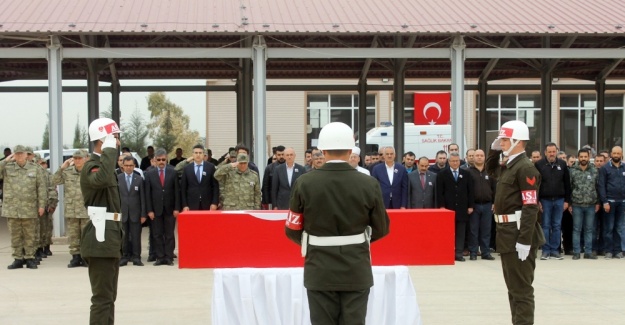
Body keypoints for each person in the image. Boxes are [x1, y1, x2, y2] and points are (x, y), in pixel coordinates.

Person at [285, 122, 390, 325]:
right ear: (351, 150)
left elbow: (292, 228)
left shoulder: (304, 183)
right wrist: (355, 242)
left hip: (319, 268)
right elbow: (382, 228)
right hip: (356, 267)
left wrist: (314, 243)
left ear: (322, 151)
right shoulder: (369, 183)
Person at [485, 120, 544, 325]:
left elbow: (530, 207)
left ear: (517, 142)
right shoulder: (509, 165)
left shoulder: (525, 168)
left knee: (522, 291)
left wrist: (525, 240)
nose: (501, 143)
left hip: (518, 233)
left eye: (504, 140)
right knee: (513, 290)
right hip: (507, 233)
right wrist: (493, 151)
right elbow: (490, 170)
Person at [80, 117, 124, 324]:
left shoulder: (104, 164)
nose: (117, 142)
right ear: (102, 140)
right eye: (114, 137)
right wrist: (108, 151)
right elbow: (102, 179)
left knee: (109, 298)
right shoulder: (92, 166)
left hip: (109, 236)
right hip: (100, 238)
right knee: (102, 299)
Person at [0, 145, 47, 270]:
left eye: (22, 154)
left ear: (27, 155)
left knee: (29, 235)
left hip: (29, 208)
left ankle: (30, 258)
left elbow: (41, 188)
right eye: (17, 154)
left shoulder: (35, 168)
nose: (19, 156)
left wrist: (42, 205)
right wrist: (5, 160)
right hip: (12, 208)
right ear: (13, 155)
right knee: (15, 235)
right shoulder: (7, 168)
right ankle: (18, 259)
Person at [52, 149, 90, 268]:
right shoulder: (68, 172)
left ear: (86, 159)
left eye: (80, 158)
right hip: (72, 209)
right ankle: (75, 257)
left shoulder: (91, 172)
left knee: (86, 235)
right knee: (73, 235)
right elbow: (54, 180)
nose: (77, 160)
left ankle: (85, 257)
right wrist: (62, 167)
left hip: (86, 209)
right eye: (75, 158)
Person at [535, 143, 571, 260]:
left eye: (553, 151)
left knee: (556, 225)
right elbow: (536, 184)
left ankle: (555, 251)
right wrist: (537, 201)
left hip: (560, 200)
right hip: (545, 200)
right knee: (545, 225)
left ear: (556, 152)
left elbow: (567, 184)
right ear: (545, 152)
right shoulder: (539, 165)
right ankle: (545, 251)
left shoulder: (562, 164)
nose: (552, 154)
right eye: (549, 152)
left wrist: (567, 201)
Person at [144, 148, 180, 266]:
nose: (161, 162)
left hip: (170, 209)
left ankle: (169, 257)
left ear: (167, 159)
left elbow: (176, 192)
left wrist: (176, 208)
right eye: (158, 159)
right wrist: (149, 210)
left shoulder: (173, 172)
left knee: (169, 234)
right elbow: (147, 194)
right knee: (157, 234)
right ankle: (160, 257)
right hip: (155, 209)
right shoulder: (149, 174)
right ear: (155, 160)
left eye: (163, 159)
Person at [436, 152, 474, 262]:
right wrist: (441, 206)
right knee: (447, 232)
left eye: (457, 161)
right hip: (448, 208)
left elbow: (470, 191)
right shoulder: (442, 174)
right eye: (453, 161)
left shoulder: (466, 174)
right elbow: (440, 192)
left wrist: (470, 206)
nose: (455, 163)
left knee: (461, 232)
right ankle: (447, 253)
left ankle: (458, 253)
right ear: (449, 162)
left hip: (462, 208)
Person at [569, 148, 599, 260]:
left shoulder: (594, 170)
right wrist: (570, 204)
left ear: (589, 157)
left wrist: (598, 203)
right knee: (576, 229)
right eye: (581, 157)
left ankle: (588, 252)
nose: (583, 159)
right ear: (578, 157)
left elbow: (598, 187)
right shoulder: (572, 170)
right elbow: (569, 187)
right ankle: (576, 252)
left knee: (589, 229)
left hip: (591, 204)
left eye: (585, 157)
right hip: (576, 204)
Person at [117, 156, 147, 266]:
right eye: (126, 165)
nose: (128, 168)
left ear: (134, 166)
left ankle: (136, 257)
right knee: (123, 237)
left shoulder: (138, 179)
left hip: (136, 213)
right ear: (122, 166)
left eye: (131, 166)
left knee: (136, 236)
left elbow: (143, 198)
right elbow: (115, 197)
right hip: (122, 213)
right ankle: (124, 257)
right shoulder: (118, 178)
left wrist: (143, 214)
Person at [467, 149, 496, 260]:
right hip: (474, 205)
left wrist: (494, 202)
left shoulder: (490, 171)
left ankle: (485, 252)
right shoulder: (468, 172)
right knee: (473, 230)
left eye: (481, 155)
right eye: (477, 155)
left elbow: (495, 188)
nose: (479, 157)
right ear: (473, 157)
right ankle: (473, 252)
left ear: (485, 157)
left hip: (488, 205)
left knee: (486, 230)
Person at [597, 146, 625, 259]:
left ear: (621, 154)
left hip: (622, 202)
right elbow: (601, 186)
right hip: (609, 201)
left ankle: (617, 250)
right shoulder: (605, 168)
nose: (616, 155)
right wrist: (604, 202)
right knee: (608, 228)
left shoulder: (624, 167)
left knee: (619, 227)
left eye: (618, 153)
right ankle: (608, 250)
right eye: (614, 153)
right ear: (611, 154)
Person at [181, 144, 219, 211]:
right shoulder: (187, 168)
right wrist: (184, 205)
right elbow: (183, 188)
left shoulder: (210, 167)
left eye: (200, 153)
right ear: (192, 154)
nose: (198, 155)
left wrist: (215, 203)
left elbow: (215, 186)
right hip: (191, 204)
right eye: (196, 153)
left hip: (208, 204)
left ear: (203, 154)